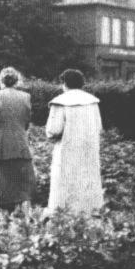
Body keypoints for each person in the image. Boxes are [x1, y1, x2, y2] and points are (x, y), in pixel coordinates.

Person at [45, 69, 104, 214]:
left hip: (67, 151)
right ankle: (90, 212)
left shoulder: (60, 102)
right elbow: (99, 127)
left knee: (65, 183)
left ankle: (64, 214)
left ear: (64, 84)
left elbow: (53, 130)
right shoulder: (92, 102)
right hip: (88, 150)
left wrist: (52, 136)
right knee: (87, 181)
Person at [0, 67, 36, 212]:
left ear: (0, 80)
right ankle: (26, 224)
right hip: (21, 148)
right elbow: (26, 122)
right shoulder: (26, 97)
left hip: (0, 150)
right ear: (17, 81)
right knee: (22, 191)